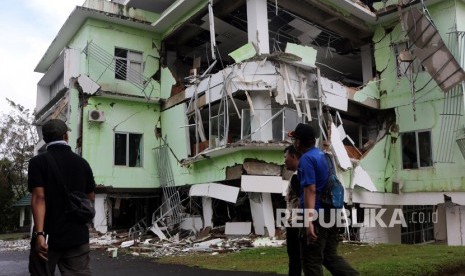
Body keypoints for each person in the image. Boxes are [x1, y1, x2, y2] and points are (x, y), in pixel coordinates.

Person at [28, 119, 96, 276]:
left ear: (45, 139)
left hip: (47, 237)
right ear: (66, 136)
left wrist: (39, 234)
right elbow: (90, 196)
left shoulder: (37, 162)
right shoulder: (82, 163)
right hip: (77, 236)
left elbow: (39, 198)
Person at [289, 123, 358, 276]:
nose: (293, 143)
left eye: (294, 140)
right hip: (333, 212)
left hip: (318, 215)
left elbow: (310, 190)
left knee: (311, 261)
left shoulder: (306, 160)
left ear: (299, 142)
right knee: (329, 256)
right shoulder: (324, 156)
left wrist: (309, 223)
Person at [283, 145, 302, 276]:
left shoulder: (297, 177)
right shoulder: (303, 174)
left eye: (286, 157)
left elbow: (302, 201)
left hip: (296, 220)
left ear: (294, 157)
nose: (284, 160)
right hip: (299, 219)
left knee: (295, 256)